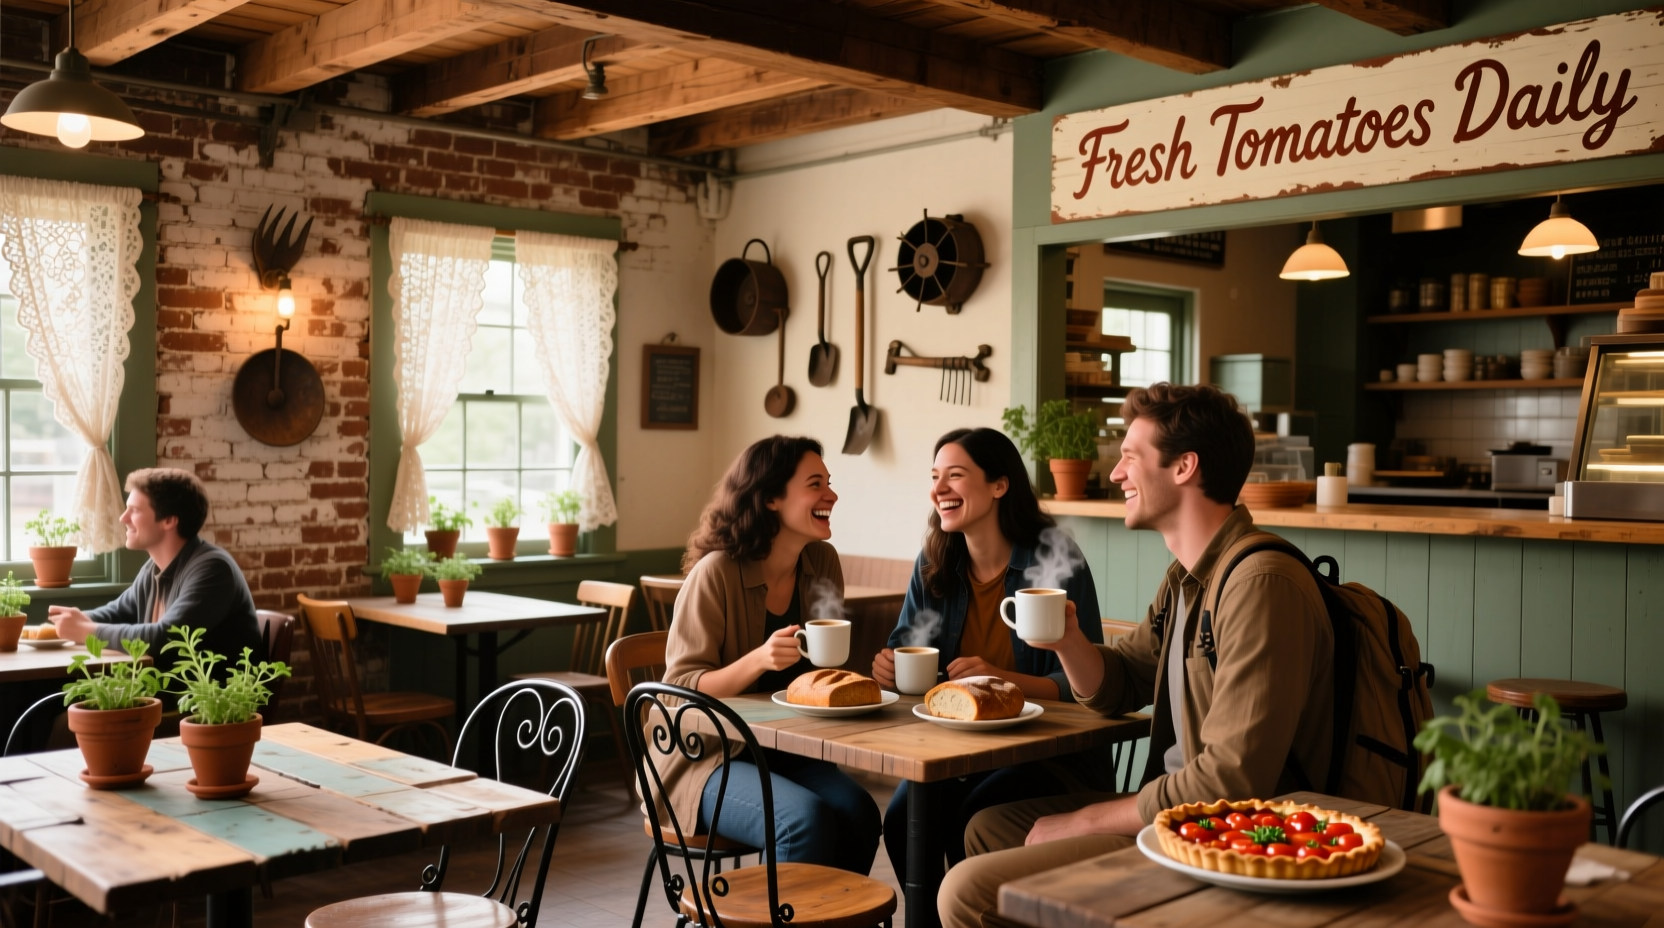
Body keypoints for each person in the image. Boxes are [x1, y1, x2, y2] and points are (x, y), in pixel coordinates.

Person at [938, 384, 1335, 928]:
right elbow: (1121, 683)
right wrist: (1068, 642)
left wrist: (1087, 819)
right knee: (987, 826)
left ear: (1184, 467)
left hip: (1228, 841)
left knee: (964, 891)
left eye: (1130, 458)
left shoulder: (1260, 584)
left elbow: (1230, 783)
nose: (1118, 474)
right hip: (1171, 816)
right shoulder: (1185, 580)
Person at [871, 427, 1107, 882]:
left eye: (954, 476)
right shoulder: (934, 563)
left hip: (1050, 759)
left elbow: (1086, 685)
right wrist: (891, 668)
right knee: (902, 820)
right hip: (955, 751)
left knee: (969, 815)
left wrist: (1001, 681)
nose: (938, 489)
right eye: (935, 476)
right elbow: (907, 648)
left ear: (1000, 485)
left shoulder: (1056, 560)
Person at [657, 436, 881, 874]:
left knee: (860, 813)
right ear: (771, 498)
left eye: (829, 483)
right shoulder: (715, 573)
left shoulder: (822, 563)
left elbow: (820, 676)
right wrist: (758, 660)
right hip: (705, 758)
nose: (831, 495)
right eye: (815, 484)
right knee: (802, 821)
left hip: (788, 750)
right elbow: (676, 694)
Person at [48, 468, 261, 671]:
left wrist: (86, 631)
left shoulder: (213, 570)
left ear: (169, 520)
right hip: (164, 694)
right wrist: (61, 625)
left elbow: (165, 638)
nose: (124, 518)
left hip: (210, 703)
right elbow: (117, 613)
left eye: (135, 511)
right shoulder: (154, 567)